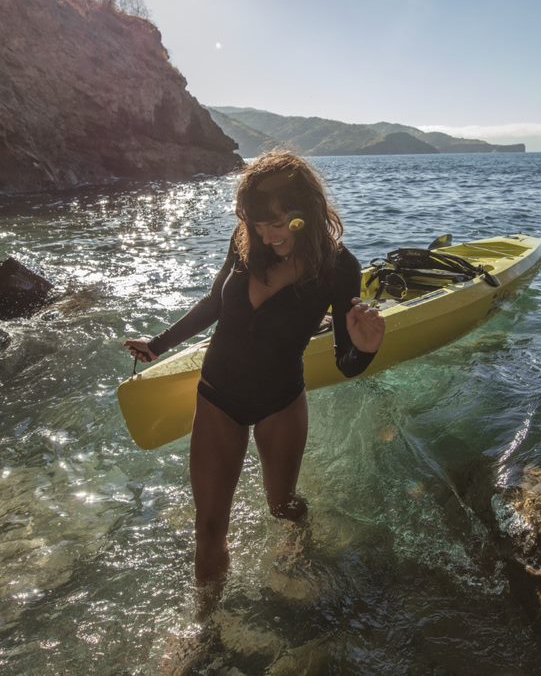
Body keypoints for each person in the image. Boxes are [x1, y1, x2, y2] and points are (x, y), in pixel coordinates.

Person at [124, 150, 385, 587]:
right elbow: (214, 302)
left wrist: (366, 349)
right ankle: (206, 620)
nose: (266, 236)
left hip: (280, 402)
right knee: (208, 529)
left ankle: (301, 543)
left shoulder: (339, 267)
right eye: (257, 224)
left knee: (283, 506)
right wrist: (158, 344)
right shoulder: (246, 242)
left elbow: (347, 362)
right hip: (217, 396)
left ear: (305, 211)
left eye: (276, 224)